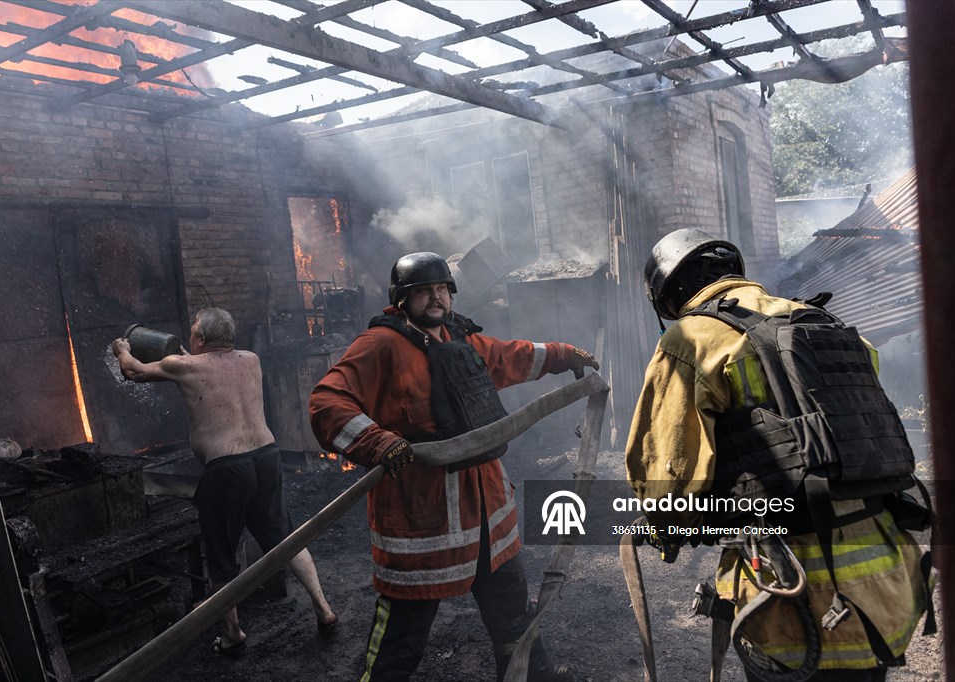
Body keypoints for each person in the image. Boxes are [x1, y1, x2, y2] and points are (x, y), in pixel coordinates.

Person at [624, 228, 931, 681]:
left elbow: (667, 473)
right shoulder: (820, 321)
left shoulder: (690, 341)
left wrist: (665, 529)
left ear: (669, 299)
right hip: (885, 588)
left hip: (790, 599)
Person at [309, 252, 598, 682]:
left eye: (442, 288)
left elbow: (509, 356)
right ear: (401, 300)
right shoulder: (380, 346)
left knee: (515, 626)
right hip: (423, 530)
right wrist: (378, 441)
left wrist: (564, 355)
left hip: (490, 524)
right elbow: (326, 402)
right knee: (399, 648)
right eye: (424, 290)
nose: (436, 297)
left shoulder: (462, 340)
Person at [112, 307, 336, 658]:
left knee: (220, 556)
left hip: (226, 470)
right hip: (266, 457)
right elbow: (213, 369)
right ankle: (324, 609)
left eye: (193, 333)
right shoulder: (251, 360)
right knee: (285, 538)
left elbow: (133, 371)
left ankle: (233, 635)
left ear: (200, 339)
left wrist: (122, 349)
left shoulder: (182, 366)